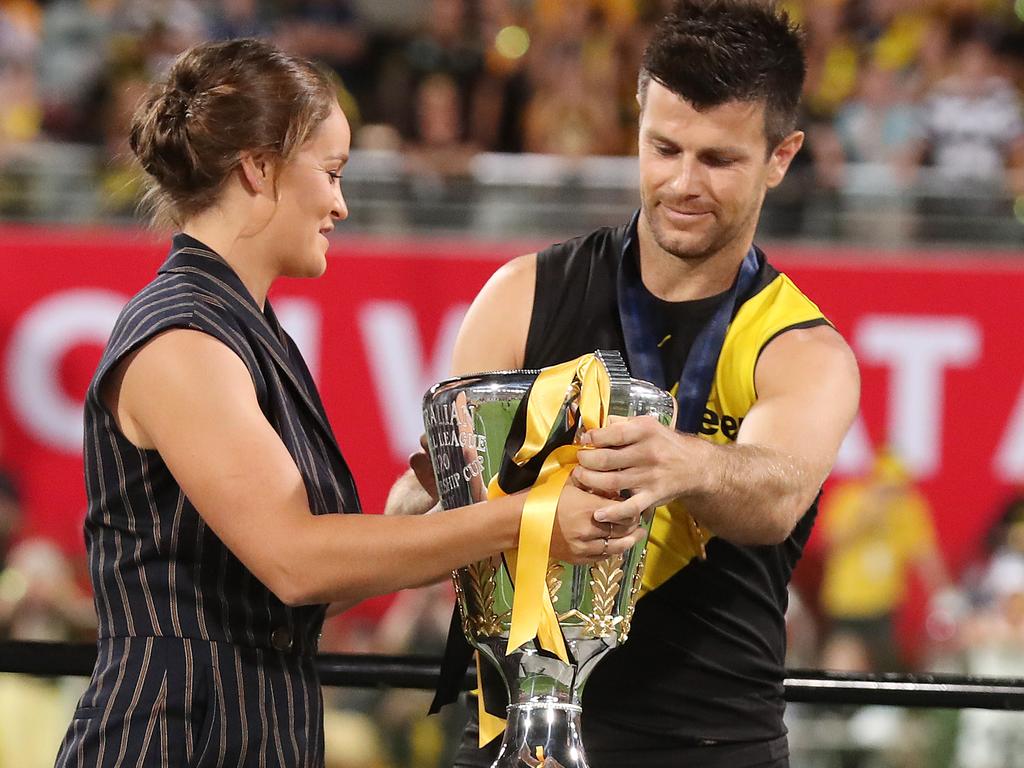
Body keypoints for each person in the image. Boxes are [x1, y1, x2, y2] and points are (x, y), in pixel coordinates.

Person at [52, 38, 643, 768]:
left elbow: (271, 603)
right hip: (169, 739)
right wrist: (526, 520)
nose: (341, 202)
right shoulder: (181, 337)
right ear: (258, 168)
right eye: (330, 173)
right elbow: (296, 561)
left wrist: (406, 519)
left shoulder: (243, 327)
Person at [389, 2, 860, 766]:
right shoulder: (521, 293)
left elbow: (775, 497)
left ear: (782, 156)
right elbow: (423, 507)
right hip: (515, 739)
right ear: (637, 121)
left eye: (718, 160)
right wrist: (432, 491)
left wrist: (686, 463)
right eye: (663, 147)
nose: (681, 182)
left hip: (708, 746)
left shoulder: (802, 350)